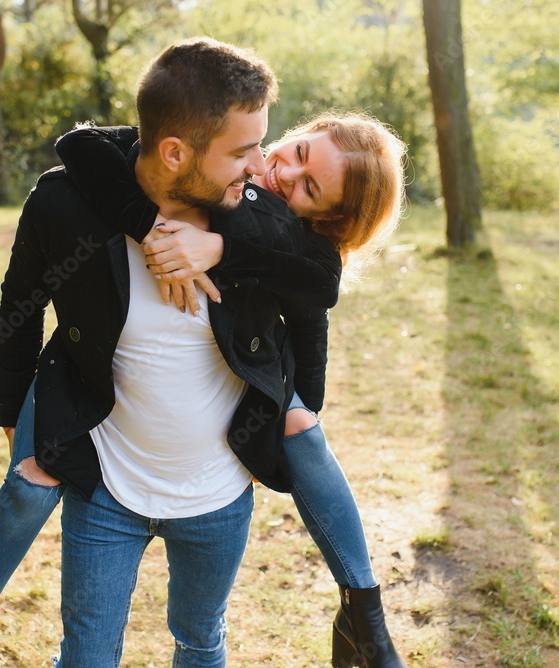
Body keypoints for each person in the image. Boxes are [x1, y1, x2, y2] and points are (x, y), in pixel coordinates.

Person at [0, 37, 342, 668]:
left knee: (202, 641)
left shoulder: (252, 215)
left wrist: (297, 405)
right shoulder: (64, 204)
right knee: (87, 653)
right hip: (107, 488)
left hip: (217, 494)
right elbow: (21, 302)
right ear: (176, 152)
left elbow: (316, 293)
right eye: (242, 150)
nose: (260, 166)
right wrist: (12, 406)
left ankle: (364, 612)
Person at [55, 110, 408, 668]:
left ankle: (363, 609)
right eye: (298, 153)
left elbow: (317, 304)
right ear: (300, 133)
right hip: (122, 437)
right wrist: (152, 226)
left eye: (309, 188)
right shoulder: (224, 159)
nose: (284, 174)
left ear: (327, 218)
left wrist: (218, 251)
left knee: (303, 429)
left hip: (234, 418)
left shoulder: (300, 241)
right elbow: (79, 144)